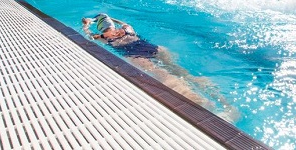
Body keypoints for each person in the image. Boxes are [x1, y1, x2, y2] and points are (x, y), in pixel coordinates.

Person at [82, 13, 239, 121]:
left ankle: (209, 110)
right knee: (186, 74)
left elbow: (88, 35)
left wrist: (87, 24)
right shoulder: (127, 28)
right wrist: (108, 18)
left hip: (137, 56)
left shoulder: (102, 37)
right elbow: (118, 22)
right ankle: (227, 104)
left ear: (101, 28)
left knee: (169, 79)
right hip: (154, 48)